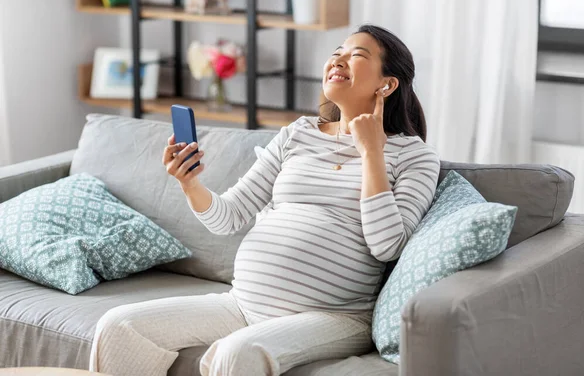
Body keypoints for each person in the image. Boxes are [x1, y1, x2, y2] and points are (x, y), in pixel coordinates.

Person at [89, 24, 441, 376]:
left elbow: (388, 246)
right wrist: (189, 182)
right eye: (337, 51)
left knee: (237, 354)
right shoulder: (298, 133)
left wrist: (371, 153)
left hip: (335, 316)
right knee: (119, 326)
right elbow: (228, 217)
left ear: (387, 84)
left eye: (357, 55)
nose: (338, 59)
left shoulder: (414, 157)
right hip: (242, 304)